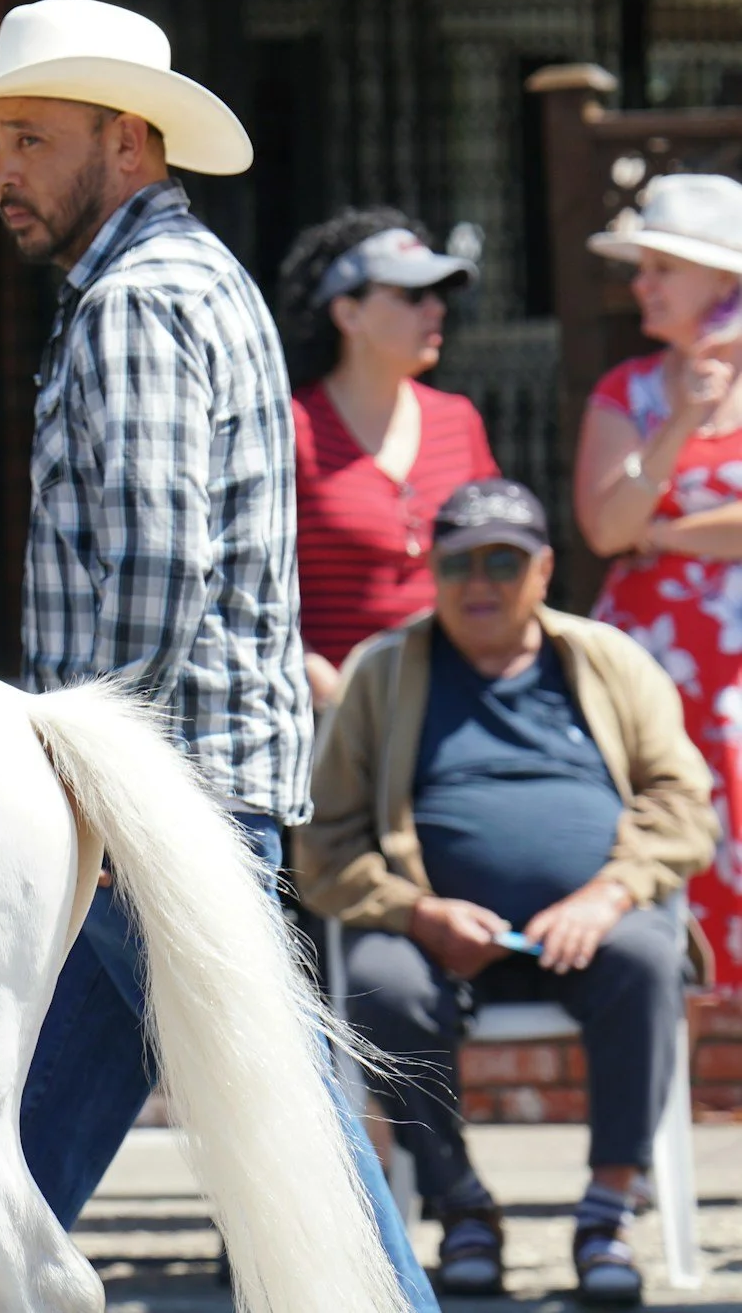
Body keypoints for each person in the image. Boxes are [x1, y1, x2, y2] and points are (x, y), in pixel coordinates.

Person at [0, 0, 436, 1311]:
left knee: (291, 1129)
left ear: (127, 141)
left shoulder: (135, 299)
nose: (1, 168)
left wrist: (99, 791)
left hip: (154, 793)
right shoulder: (184, 278)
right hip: (173, 788)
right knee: (17, 1156)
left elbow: (157, 582)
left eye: (30, 138)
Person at [300, 479, 714, 1303]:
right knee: (383, 977)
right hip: (437, 931)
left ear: (544, 569)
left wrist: (607, 894)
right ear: (436, 573)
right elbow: (324, 843)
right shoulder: (383, 673)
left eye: (503, 562)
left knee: (645, 954)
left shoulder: (606, 660)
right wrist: (417, 910)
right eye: (458, 565)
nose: (480, 582)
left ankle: (606, 1213)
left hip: (591, 927)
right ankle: (462, 1206)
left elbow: (684, 805)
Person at [573, 172, 742, 994]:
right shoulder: (629, 390)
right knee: (662, 823)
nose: (642, 285)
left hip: (733, 673)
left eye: (661, 269)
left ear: (723, 281)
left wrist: (664, 531)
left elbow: (634, 522)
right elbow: (604, 530)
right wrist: (680, 424)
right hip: (652, 665)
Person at [275, 210, 495, 707]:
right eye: (413, 296)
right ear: (348, 314)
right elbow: (253, 583)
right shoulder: (291, 429)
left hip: (458, 704)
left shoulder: (458, 421)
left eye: (438, 295)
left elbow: (496, 555)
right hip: (334, 719)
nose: (436, 309)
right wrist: (319, 681)